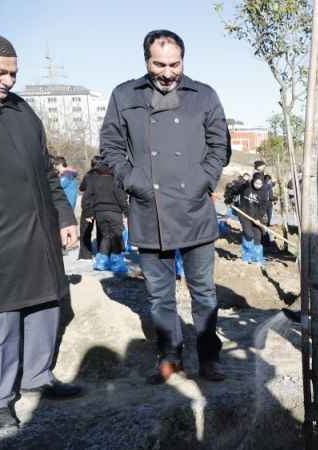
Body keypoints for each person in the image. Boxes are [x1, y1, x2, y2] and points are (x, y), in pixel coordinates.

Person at [100, 29, 230, 384]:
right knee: (159, 295)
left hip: (195, 209)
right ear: (146, 61)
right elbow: (111, 146)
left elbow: (219, 146)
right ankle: (169, 356)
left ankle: (209, 357)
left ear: (183, 60)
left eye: (175, 64)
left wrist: (203, 180)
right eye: (160, 65)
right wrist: (133, 181)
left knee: (203, 291)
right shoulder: (124, 95)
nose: (169, 73)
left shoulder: (204, 95)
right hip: (148, 208)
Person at [0, 32, 83, 435]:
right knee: (2, 317)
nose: (8, 81)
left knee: (46, 305)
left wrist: (64, 216)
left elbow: (47, 171)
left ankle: (37, 376)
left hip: (40, 230)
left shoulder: (22, 110)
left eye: (13, 73)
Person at [81, 160, 129, 273]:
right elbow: (121, 197)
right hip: (114, 212)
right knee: (116, 236)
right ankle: (117, 264)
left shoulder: (94, 181)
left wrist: (88, 213)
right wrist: (127, 211)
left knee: (106, 236)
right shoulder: (115, 180)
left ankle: (101, 262)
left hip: (99, 212)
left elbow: (87, 197)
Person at [234, 172, 269, 264]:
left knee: (258, 236)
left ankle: (257, 258)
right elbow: (235, 190)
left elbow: (263, 207)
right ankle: (246, 257)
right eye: (256, 183)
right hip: (244, 214)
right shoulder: (246, 187)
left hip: (257, 217)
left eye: (260, 183)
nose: (258, 185)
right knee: (249, 234)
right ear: (253, 181)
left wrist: (258, 218)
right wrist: (230, 197)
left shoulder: (264, 192)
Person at [78, 156, 102, 260]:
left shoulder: (88, 175)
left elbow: (81, 187)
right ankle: (102, 253)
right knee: (101, 230)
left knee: (85, 231)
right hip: (101, 205)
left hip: (88, 205)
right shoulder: (106, 175)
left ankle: (85, 254)